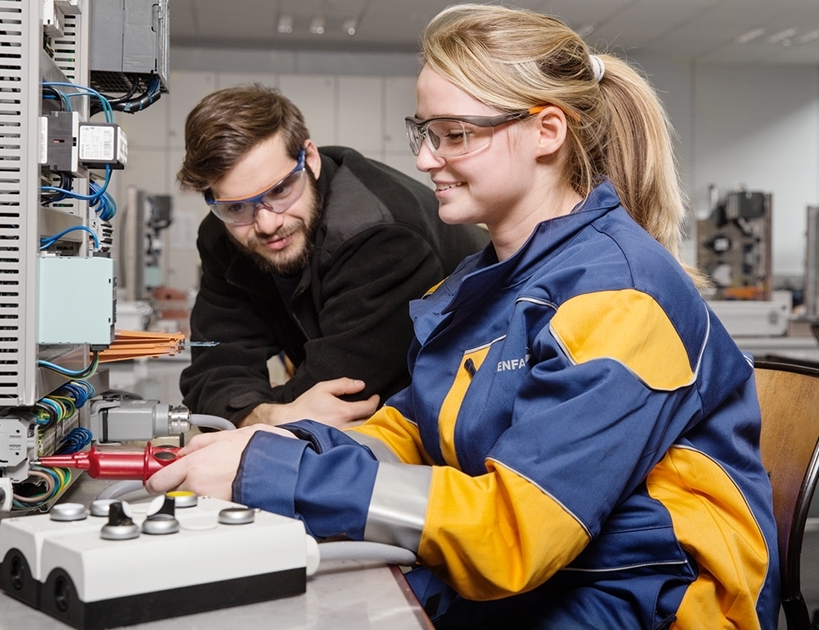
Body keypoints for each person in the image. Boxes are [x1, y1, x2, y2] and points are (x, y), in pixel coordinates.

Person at [150, 5, 780, 628]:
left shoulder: (620, 297)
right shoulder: (485, 282)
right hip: (562, 571)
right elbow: (411, 429)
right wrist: (276, 443)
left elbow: (517, 529)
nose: (425, 160)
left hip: (648, 593)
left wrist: (273, 473)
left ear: (547, 131)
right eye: (423, 132)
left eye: (454, 136)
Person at [177, 84, 489, 428]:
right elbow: (213, 367)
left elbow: (341, 397)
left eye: (280, 190)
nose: (266, 223)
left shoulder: (382, 235)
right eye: (236, 206)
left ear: (309, 158)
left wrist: (257, 412)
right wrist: (269, 413)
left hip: (467, 418)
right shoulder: (224, 236)